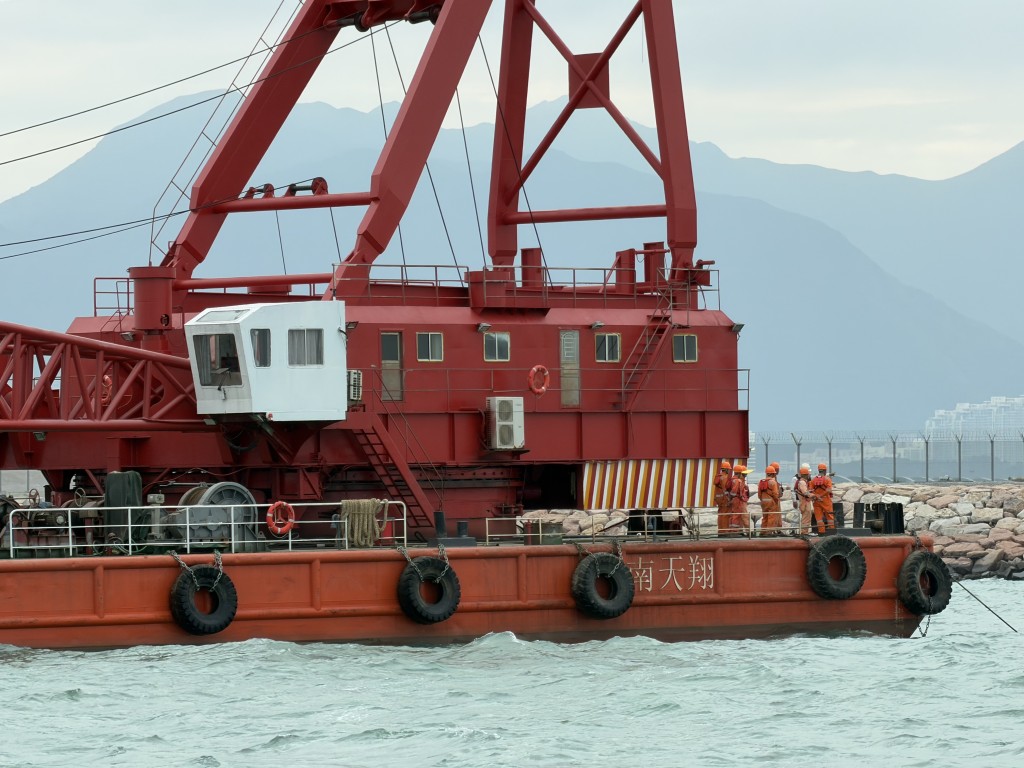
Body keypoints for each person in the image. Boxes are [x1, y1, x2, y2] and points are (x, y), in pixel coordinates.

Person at [809, 462, 835, 534]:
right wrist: (821, 495)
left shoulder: (813, 480)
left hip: (816, 501)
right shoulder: (827, 479)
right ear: (825, 470)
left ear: (818, 470)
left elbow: (810, 491)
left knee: (819, 518)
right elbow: (829, 490)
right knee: (829, 517)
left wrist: (817, 496)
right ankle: (832, 531)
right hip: (826, 500)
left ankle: (821, 532)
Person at [728, 463, 752, 535]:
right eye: (745, 473)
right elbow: (736, 491)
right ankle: (745, 532)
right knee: (742, 516)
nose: (746, 475)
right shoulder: (739, 481)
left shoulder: (734, 480)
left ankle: (738, 530)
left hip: (738, 500)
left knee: (737, 516)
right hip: (739, 500)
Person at [757, 465, 782, 536]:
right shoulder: (773, 482)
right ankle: (769, 532)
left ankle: (763, 532)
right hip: (771, 502)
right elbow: (775, 494)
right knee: (771, 517)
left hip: (763, 502)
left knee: (765, 517)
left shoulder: (761, 482)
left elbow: (759, 494)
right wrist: (776, 500)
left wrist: (762, 499)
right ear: (773, 474)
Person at [713, 461, 733, 536]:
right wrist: (729, 499)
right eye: (729, 469)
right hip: (724, 499)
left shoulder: (718, 477)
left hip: (718, 498)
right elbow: (725, 489)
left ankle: (720, 531)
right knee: (725, 515)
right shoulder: (724, 477)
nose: (729, 471)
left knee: (721, 514)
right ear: (726, 469)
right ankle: (725, 531)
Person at [795, 463, 814, 535]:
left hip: (804, 502)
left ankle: (805, 531)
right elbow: (805, 493)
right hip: (805, 503)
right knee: (806, 518)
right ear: (806, 475)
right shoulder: (802, 482)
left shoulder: (802, 482)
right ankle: (804, 532)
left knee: (806, 518)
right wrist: (813, 495)